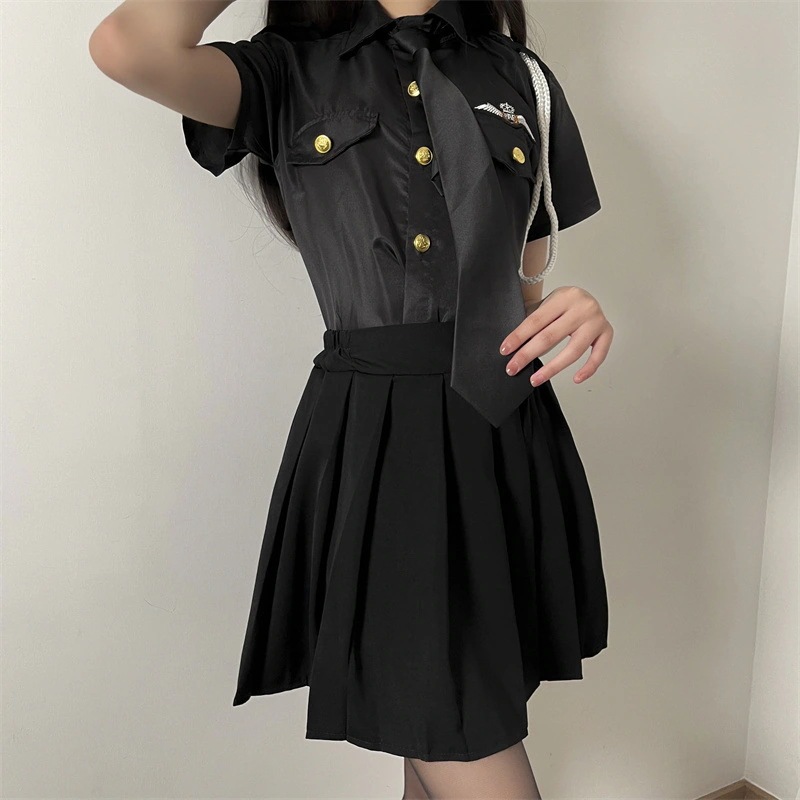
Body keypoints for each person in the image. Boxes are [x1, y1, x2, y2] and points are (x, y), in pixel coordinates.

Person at [90, 0, 613, 796]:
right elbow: (130, 46)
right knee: (451, 719)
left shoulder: (522, 80)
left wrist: (575, 309)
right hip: (386, 445)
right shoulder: (287, 69)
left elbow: (522, 294)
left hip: (504, 435)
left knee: (438, 723)